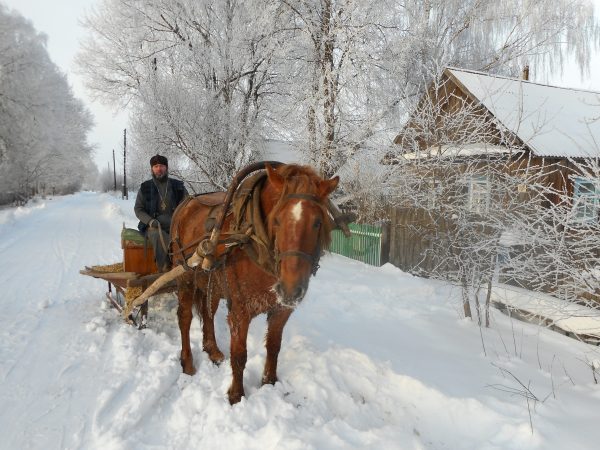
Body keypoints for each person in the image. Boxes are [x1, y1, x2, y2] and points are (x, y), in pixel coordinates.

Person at [135, 154, 188, 272]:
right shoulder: (145, 187)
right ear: (152, 169)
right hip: (153, 226)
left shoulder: (178, 186)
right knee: (158, 235)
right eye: (156, 166)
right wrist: (150, 221)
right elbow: (138, 209)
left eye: (162, 166)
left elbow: (187, 206)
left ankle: (188, 266)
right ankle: (165, 269)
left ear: (167, 168)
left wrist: (180, 219)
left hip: (176, 224)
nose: (159, 169)